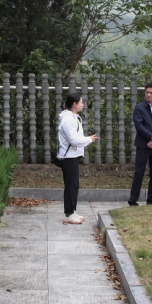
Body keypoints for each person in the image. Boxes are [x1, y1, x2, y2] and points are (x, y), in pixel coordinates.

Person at [56, 94, 98, 224]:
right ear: (74, 104)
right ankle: (69, 214)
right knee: (71, 186)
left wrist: (87, 139)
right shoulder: (68, 119)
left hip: (73, 156)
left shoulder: (73, 117)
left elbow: (76, 137)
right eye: (81, 102)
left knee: (74, 186)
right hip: (68, 157)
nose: (83, 104)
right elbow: (73, 140)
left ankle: (73, 211)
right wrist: (89, 139)